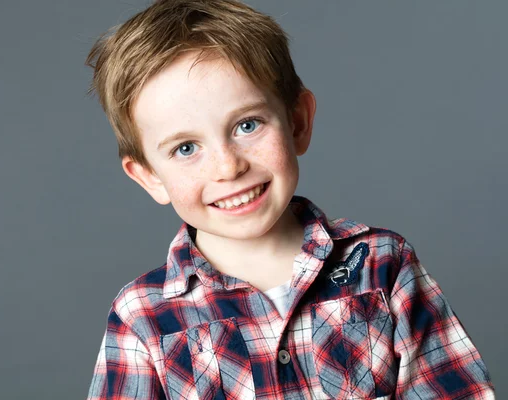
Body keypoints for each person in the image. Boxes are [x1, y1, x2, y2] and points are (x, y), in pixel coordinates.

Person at [84, 1, 495, 398]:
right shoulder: (141, 317)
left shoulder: (382, 265)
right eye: (186, 148)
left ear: (298, 122)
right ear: (150, 176)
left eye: (247, 125)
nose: (228, 167)